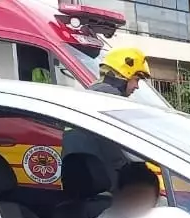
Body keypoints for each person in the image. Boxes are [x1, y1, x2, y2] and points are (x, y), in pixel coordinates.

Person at [63, 47, 153, 181]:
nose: (137, 86)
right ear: (124, 75)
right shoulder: (110, 99)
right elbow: (115, 149)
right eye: (136, 79)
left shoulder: (95, 93)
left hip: (87, 182)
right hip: (105, 183)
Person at [88, 162, 161, 218]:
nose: (139, 203)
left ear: (156, 199)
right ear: (119, 196)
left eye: (146, 199)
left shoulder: (162, 215)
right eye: (132, 197)